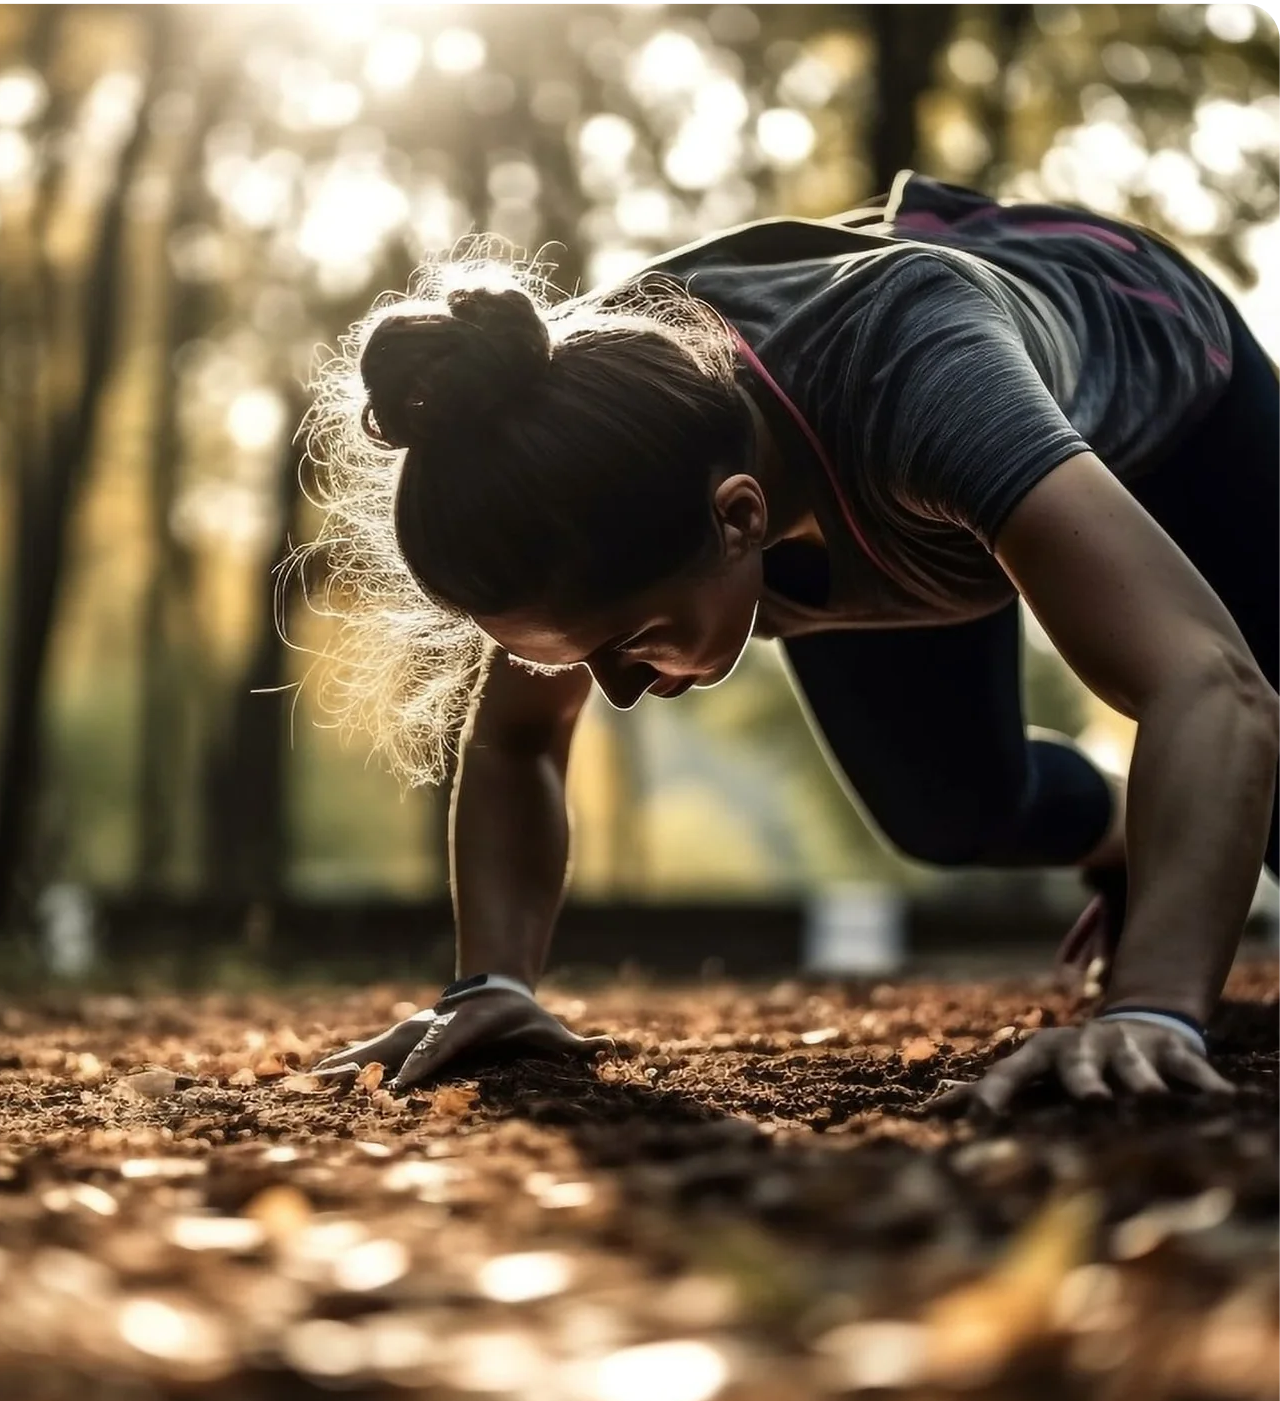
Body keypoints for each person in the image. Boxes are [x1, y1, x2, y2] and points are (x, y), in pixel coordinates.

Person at [297, 169, 1280, 1116]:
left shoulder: (923, 382)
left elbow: (1209, 685)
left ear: (739, 519)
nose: (620, 695)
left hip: (1174, 394)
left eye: (631, 641)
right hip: (895, 490)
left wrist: (1153, 1006)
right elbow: (515, 742)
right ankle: (1117, 834)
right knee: (953, 814)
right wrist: (491, 982)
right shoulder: (563, 456)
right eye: (572, 660)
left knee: (1247, 753)